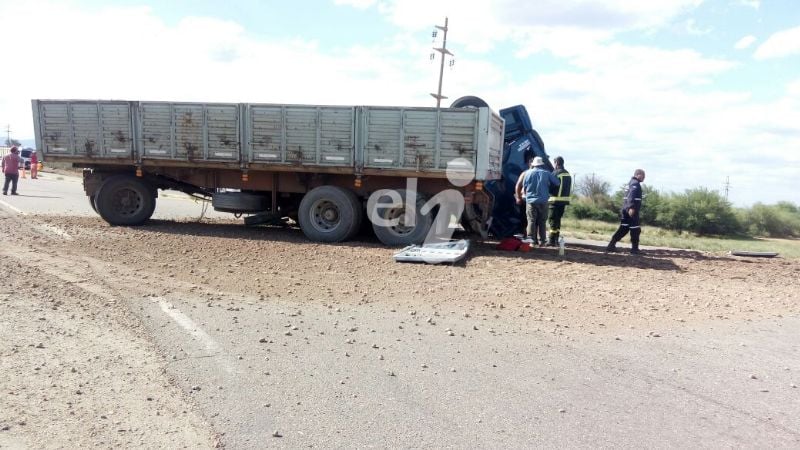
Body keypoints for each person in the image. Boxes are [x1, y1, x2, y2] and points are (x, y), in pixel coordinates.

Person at [515, 156, 560, 246]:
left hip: (531, 201)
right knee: (542, 221)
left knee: (531, 220)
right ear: (541, 164)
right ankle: (542, 241)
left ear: (533, 164)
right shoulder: (546, 173)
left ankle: (531, 240)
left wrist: (519, 197)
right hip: (543, 201)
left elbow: (524, 186)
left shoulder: (527, 173)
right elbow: (557, 183)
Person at [606, 169, 646, 255]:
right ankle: (635, 249)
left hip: (625, 209)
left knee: (624, 228)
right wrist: (631, 207)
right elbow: (631, 196)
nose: (644, 178)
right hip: (631, 210)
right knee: (636, 229)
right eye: (643, 176)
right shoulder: (635, 184)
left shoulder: (630, 183)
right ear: (638, 175)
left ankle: (611, 245)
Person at [547, 156, 572, 246]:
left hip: (554, 201)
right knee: (558, 220)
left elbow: (550, 186)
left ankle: (551, 240)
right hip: (564, 201)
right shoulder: (567, 174)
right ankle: (556, 239)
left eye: (554, 163)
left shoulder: (556, 173)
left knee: (552, 220)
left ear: (557, 163)